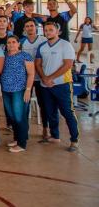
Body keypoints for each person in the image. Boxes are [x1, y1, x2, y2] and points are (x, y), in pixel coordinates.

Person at [35, 22, 79, 152]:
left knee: (67, 112)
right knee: (50, 112)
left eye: (51, 30)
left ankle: (74, 140)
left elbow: (68, 64)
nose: (48, 32)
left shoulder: (65, 45)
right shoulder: (42, 46)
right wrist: (44, 78)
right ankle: (55, 136)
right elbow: (38, 64)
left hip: (62, 85)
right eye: (46, 30)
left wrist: (51, 78)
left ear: (58, 32)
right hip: (45, 86)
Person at [2, 36, 35, 153]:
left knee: (19, 116)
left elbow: (31, 74)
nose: (11, 44)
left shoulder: (25, 56)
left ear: (18, 43)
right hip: (6, 90)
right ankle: (17, 138)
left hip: (19, 90)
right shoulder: (5, 55)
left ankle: (22, 143)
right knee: (12, 116)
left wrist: (28, 90)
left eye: (13, 42)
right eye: (9, 42)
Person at [20, 18, 48, 140]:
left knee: (44, 104)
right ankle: (23, 130)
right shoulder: (22, 42)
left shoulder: (44, 41)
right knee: (24, 104)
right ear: (24, 29)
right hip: (26, 78)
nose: (30, 28)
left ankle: (45, 129)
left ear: (36, 27)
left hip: (40, 77)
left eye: (32, 26)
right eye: (27, 26)